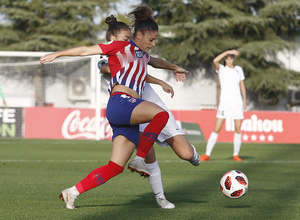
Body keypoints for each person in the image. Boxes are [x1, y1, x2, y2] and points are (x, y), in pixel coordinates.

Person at [40, 5, 192, 209]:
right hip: (121, 103)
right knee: (161, 115)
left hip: (124, 112)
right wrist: (57, 54)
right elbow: (86, 50)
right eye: (151, 40)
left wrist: (173, 69)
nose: (153, 44)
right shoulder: (119, 47)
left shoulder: (142, 55)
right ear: (138, 35)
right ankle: (139, 160)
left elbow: (156, 62)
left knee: (115, 167)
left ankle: (72, 192)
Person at [98, 15, 201, 209]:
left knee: (185, 153)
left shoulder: (133, 51)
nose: (127, 41)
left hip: (149, 100)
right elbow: (110, 69)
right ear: (112, 40)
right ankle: (161, 198)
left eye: (128, 38)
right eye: (124, 38)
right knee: (148, 154)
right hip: (129, 106)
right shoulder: (109, 55)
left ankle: (192, 153)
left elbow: (152, 62)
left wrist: (172, 69)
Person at [200, 49, 246, 162]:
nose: (229, 60)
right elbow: (215, 60)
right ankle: (207, 154)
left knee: (238, 129)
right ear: (225, 59)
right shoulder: (221, 69)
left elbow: (242, 86)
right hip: (225, 103)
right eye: (227, 58)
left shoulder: (239, 70)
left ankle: (236, 154)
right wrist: (228, 52)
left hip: (237, 102)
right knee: (217, 128)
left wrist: (244, 100)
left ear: (234, 59)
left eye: (231, 58)